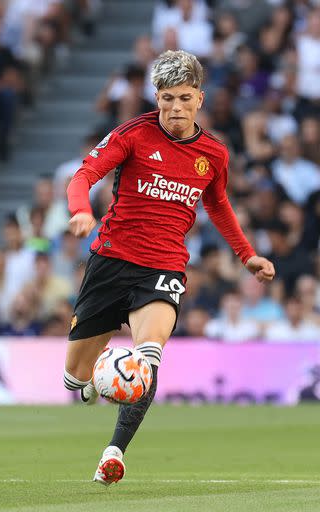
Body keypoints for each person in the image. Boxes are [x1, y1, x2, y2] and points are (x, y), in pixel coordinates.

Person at [63, 50, 275, 486]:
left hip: (162, 268)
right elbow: (83, 174)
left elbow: (217, 204)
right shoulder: (132, 135)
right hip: (110, 262)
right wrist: (82, 210)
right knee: (73, 378)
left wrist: (246, 254)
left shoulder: (213, 154)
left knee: (148, 358)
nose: (174, 108)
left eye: (183, 98)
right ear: (155, 98)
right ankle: (91, 382)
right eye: (165, 99)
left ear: (199, 98)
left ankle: (113, 453)